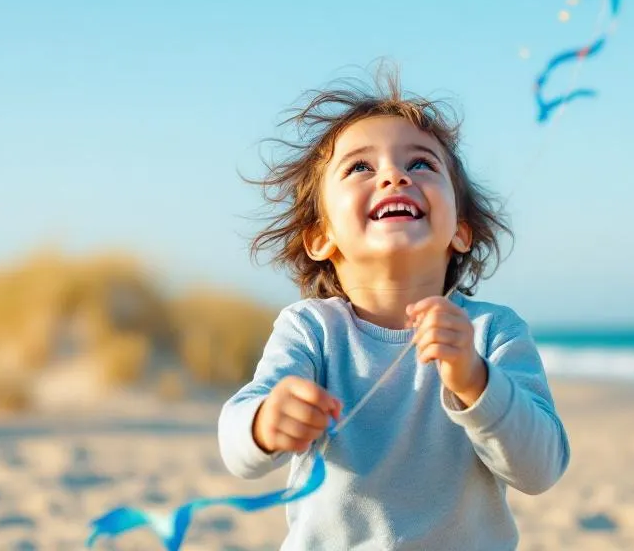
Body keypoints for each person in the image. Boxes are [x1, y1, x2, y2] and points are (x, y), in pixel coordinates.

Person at [217, 61, 570, 550]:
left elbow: (540, 469)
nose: (394, 177)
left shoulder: (492, 332)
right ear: (321, 237)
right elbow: (238, 451)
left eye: (421, 164)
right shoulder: (311, 331)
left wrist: (474, 379)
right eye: (361, 166)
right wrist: (264, 424)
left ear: (461, 230)